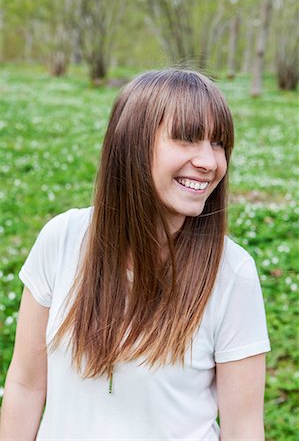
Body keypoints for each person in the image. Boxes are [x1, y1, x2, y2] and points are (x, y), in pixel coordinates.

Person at [0, 69, 271, 440]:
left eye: (219, 143)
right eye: (187, 138)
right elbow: (26, 386)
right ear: (131, 144)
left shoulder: (232, 273)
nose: (210, 161)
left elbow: (243, 430)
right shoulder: (62, 239)